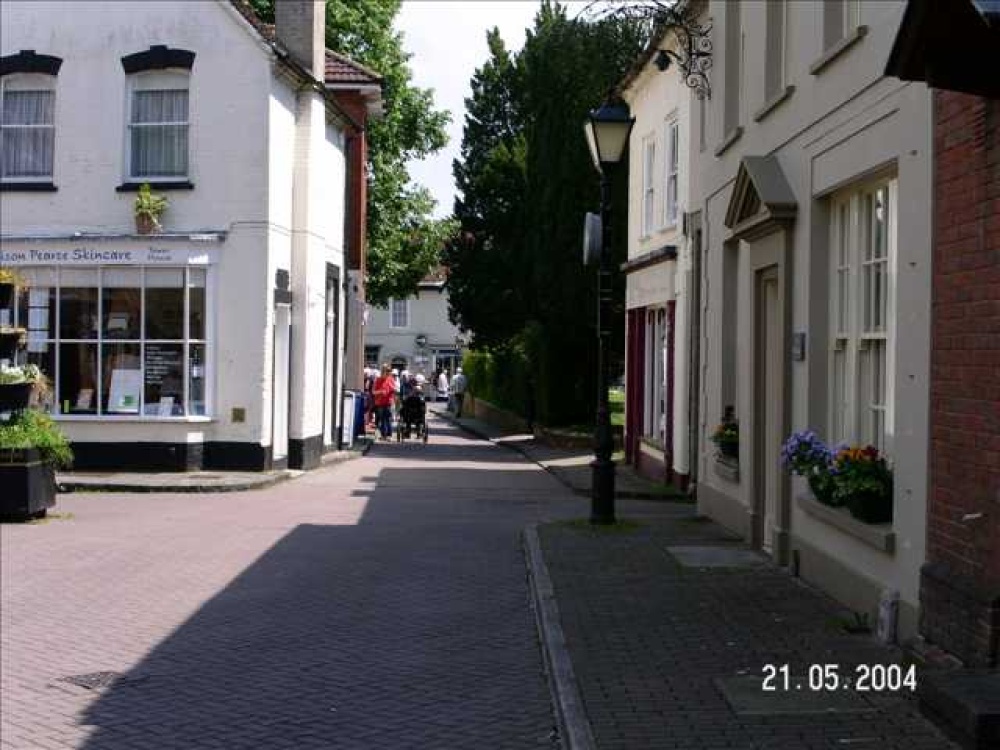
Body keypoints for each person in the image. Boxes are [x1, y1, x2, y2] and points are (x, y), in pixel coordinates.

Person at [373, 364, 395, 439]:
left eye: (389, 371)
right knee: (382, 419)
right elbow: (373, 392)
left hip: (388, 402)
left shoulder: (390, 379)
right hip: (380, 402)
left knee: (388, 418)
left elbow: (394, 390)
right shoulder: (378, 380)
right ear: (382, 371)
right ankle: (383, 435)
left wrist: (391, 390)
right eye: (387, 371)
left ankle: (389, 435)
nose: (388, 373)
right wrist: (380, 392)